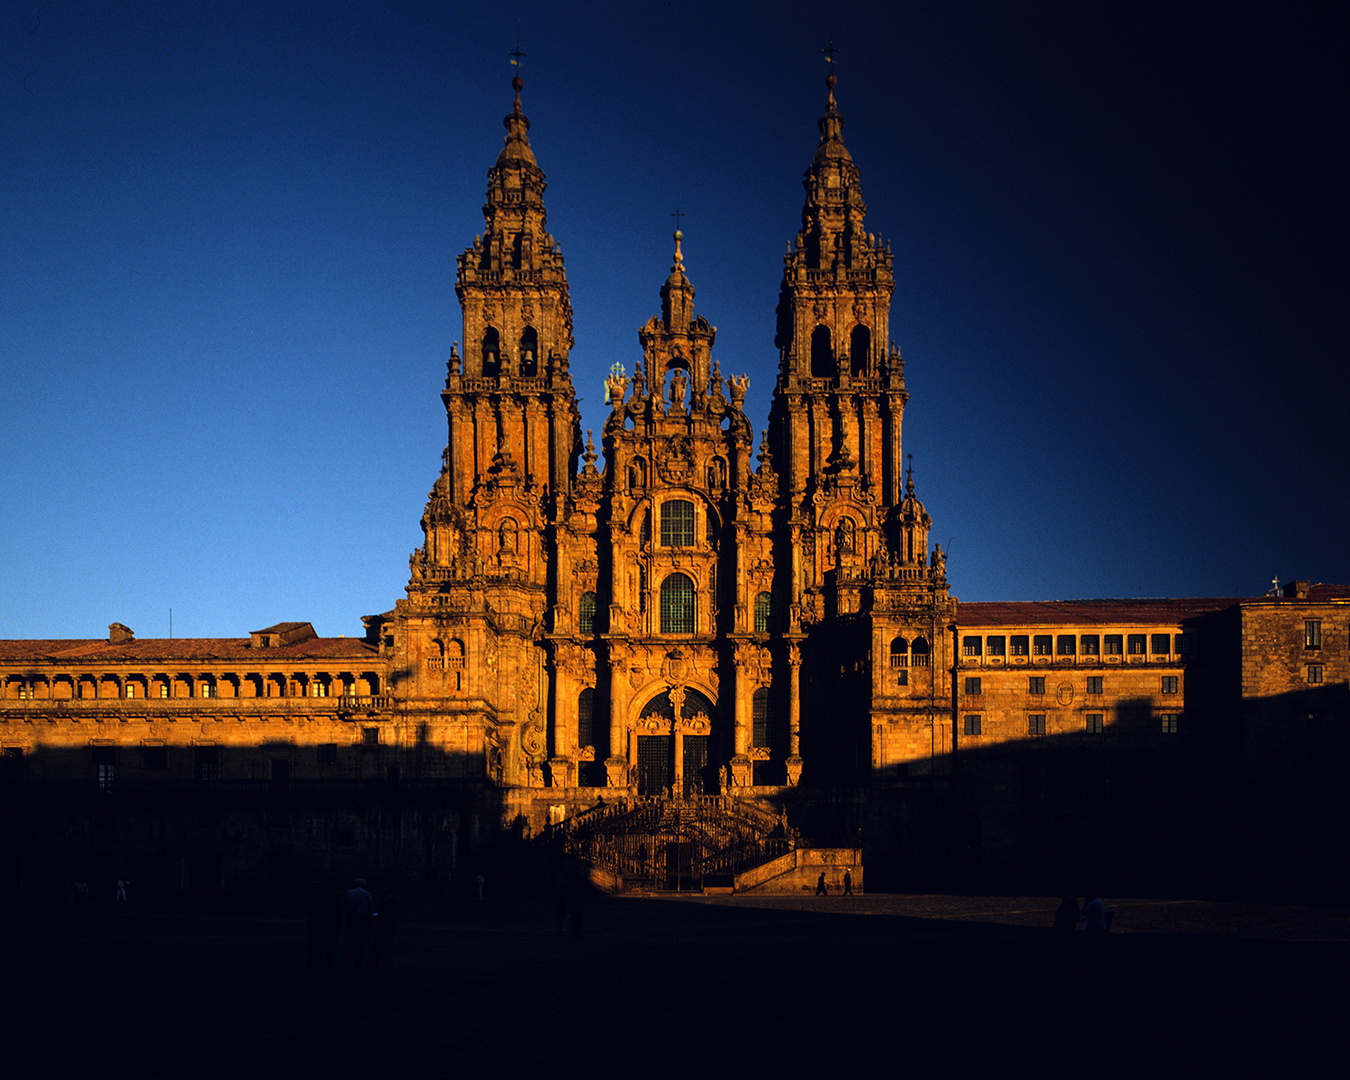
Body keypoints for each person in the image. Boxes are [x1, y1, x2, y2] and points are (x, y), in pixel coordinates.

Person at [305, 879, 340, 972]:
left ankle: (314, 964)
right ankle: (329, 965)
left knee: (316, 946)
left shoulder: (313, 898)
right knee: (329, 947)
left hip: (317, 925)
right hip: (329, 925)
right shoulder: (332, 897)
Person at [342, 877, 375, 972]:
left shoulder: (348, 893)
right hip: (362, 918)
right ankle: (357, 964)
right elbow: (371, 907)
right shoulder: (366, 894)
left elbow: (345, 906)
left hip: (351, 918)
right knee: (360, 943)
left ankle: (347, 964)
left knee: (349, 942)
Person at [367, 889, 401, 971]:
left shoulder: (385, 902)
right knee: (388, 946)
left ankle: (372, 964)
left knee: (377, 946)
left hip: (382, 926)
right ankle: (388, 964)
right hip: (389, 926)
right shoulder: (393, 902)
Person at [1081, 893, 1109, 965]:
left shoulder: (1093, 903)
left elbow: (1085, 912)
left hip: (1093, 927)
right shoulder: (1098, 902)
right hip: (1097, 927)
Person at [1053, 894, 1080, 964]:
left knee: (1065, 945)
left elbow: (1064, 914)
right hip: (1067, 926)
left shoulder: (1069, 901)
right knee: (1068, 946)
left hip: (1065, 927)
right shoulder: (1071, 900)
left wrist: (1056, 924)